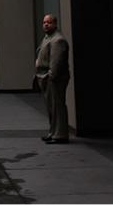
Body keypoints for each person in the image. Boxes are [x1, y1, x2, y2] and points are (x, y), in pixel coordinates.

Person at [34, 14, 70, 144]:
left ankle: (59, 134)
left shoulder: (58, 40)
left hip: (53, 79)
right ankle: (53, 132)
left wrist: (51, 76)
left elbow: (56, 62)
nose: (45, 24)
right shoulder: (47, 38)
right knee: (51, 107)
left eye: (48, 22)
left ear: (55, 23)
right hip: (46, 77)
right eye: (44, 22)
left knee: (57, 106)